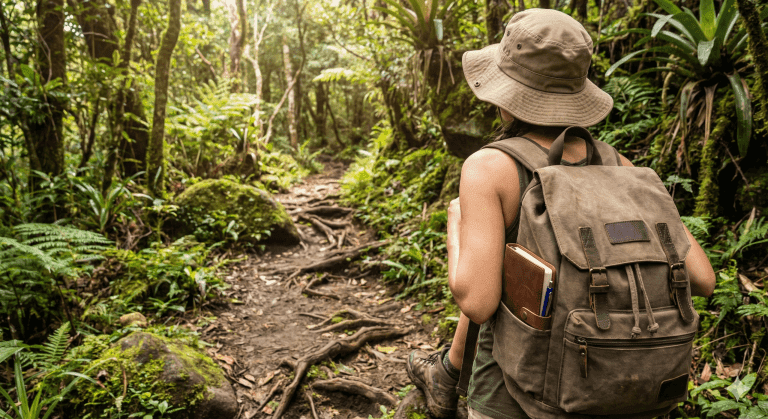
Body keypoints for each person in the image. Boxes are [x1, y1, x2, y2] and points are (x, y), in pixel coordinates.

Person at [405, 8, 717, 419]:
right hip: (631, 388)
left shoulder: (489, 168)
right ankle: (445, 374)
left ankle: (446, 377)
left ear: (507, 96)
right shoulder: (622, 167)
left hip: (521, 395)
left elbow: (478, 302)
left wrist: (456, 228)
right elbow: (703, 280)